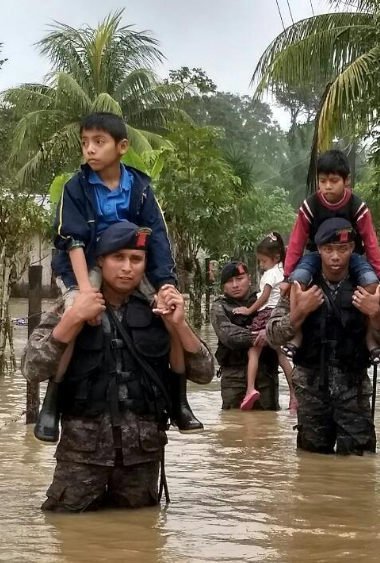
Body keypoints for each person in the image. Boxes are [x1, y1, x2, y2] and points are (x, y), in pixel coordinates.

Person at [22, 222, 214, 512]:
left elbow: (204, 372)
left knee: (140, 545)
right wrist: (73, 320)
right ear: (101, 260)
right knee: (69, 541)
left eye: (136, 259)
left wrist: (180, 326)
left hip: (141, 462)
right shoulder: (71, 308)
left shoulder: (159, 311)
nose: (127, 268)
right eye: (118, 258)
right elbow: (32, 368)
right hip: (81, 461)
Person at [36, 111, 202, 443]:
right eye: (85, 143)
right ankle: (51, 404)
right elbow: (73, 239)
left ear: (122, 146)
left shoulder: (140, 187)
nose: (90, 150)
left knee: (170, 313)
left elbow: (156, 237)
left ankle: (180, 401)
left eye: (99, 142)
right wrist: (85, 293)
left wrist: (166, 284)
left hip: (132, 262)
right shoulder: (76, 187)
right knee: (76, 315)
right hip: (85, 265)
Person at [267, 218, 380, 455]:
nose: (335, 257)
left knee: (360, 462)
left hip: (354, 389)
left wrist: (376, 314)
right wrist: (300, 312)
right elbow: (273, 335)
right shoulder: (300, 286)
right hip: (310, 391)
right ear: (318, 250)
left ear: (352, 249)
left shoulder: (367, 286)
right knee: (312, 464)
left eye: (342, 249)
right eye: (328, 250)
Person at [281, 149, 380, 365]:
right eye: (322, 181)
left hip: (353, 256)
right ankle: (297, 334)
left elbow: (371, 242)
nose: (327, 186)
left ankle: (370, 341)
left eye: (333, 181)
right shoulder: (310, 206)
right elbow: (296, 242)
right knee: (297, 281)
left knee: (371, 284)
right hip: (316, 254)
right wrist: (286, 278)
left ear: (346, 181)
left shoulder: (357, 207)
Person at [230, 233, 296, 411]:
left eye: (263, 261)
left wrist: (250, 310)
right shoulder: (285, 272)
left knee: (253, 352)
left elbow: (265, 297)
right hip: (280, 316)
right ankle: (294, 393)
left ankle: (250, 389)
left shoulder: (270, 274)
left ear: (275, 258)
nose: (261, 265)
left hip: (267, 314)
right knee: (282, 355)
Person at [210, 261, 280, 411]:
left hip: (265, 376)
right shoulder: (220, 306)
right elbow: (228, 336)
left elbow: (284, 325)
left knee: (267, 424)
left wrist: (270, 335)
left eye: (239, 279)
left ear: (249, 279)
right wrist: (262, 336)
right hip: (233, 379)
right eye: (229, 281)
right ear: (223, 286)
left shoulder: (266, 300)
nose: (235, 285)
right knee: (233, 424)